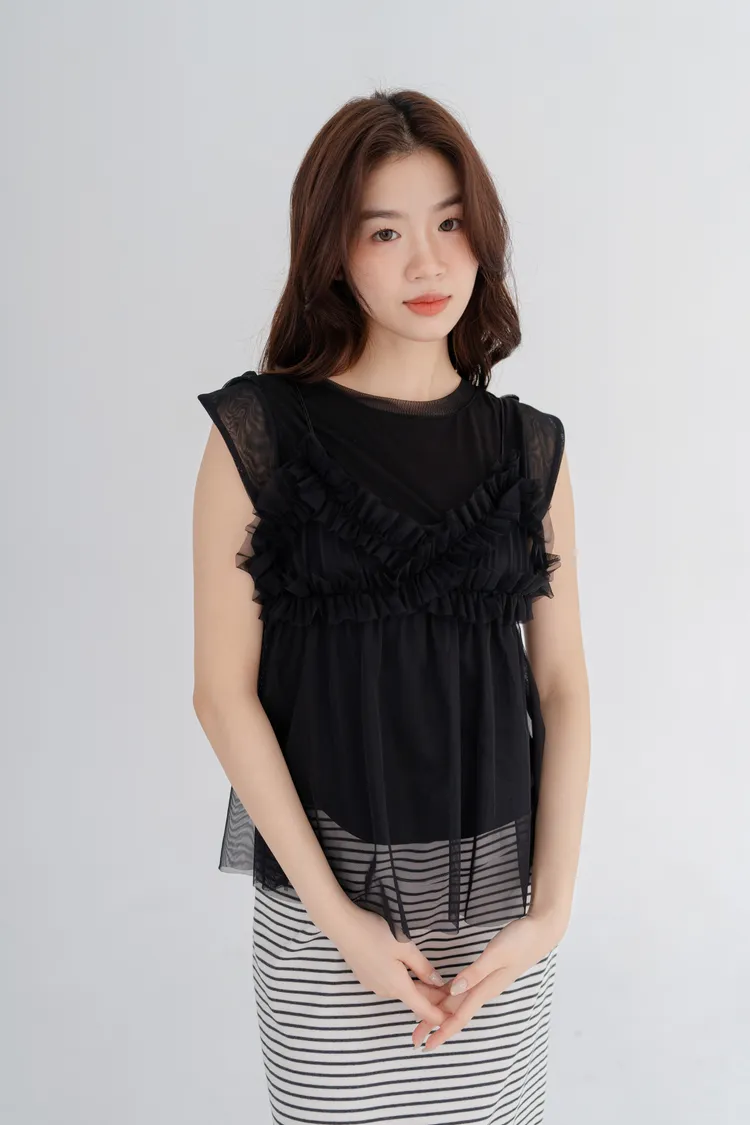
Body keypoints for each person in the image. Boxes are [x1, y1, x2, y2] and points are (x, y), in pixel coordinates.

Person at [193, 87, 590, 1125]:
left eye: (451, 224)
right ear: (333, 250)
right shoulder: (259, 435)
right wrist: (342, 924)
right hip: (329, 918)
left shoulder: (530, 449)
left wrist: (549, 912)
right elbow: (223, 695)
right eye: (385, 232)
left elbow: (563, 687)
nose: (427, 263)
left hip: (500, 925)